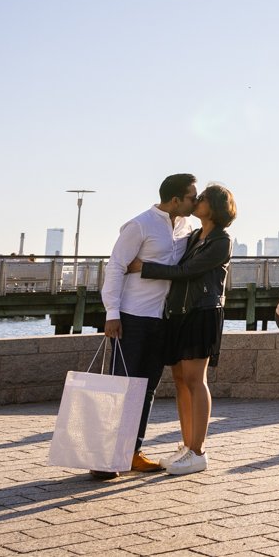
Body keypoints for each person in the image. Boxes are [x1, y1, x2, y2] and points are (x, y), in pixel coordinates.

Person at [130, 182, 237, 477]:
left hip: (202, 313)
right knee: (179, 380)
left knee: (194, 379)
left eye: (202, 198)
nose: (197, 201)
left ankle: (198, 451)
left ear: (213, 207)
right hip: (180, 314)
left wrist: (143, 267)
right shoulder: (193, 237)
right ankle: (187, 445)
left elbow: (185, 272)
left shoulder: (220, 241)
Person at [96, 173, 197, 479]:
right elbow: (115, 266)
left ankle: (132, 453)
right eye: (192, 196)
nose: (196, 200)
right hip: (132, 316)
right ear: (175, 199)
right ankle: (104, 458)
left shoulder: (186, 227)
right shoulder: (139, 224)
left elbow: (182, 269)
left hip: (162, 318)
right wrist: (111, 311)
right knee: (122, 386)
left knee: (148, 388)